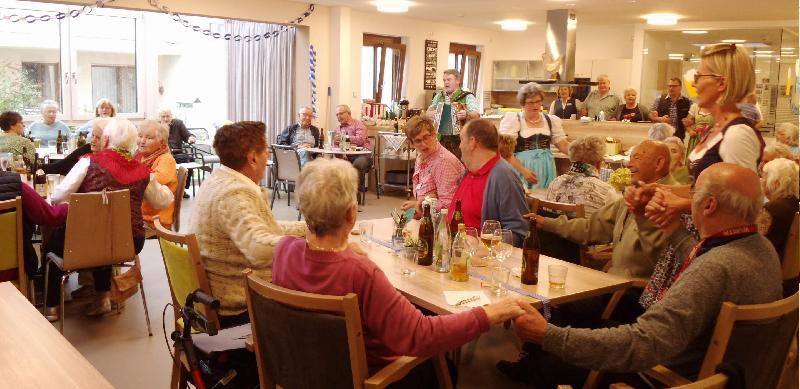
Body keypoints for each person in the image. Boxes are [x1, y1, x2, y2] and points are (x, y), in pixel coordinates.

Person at [511, 163, 782, 388]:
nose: (687, 199)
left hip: (664, 375)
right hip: (720, 370)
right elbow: (702, 258)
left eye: (693, 192)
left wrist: (549, 335)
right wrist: (673, 227)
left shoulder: (716, 269)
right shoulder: (759, 248)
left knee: (548, 364)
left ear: (709, 205)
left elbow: (643, 343)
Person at [272, 157, 525, 385]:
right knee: (445, 368)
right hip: (372, 377)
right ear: (351, 215)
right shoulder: (360, 273)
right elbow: (420, 336)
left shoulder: (283, 251)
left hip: (305, 370)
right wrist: (489, 313)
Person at [44, 118, 174, 321]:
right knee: (106, 239)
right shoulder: (142, 170)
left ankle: (51, 307)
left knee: (53, 245)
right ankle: (102, 299)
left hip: (84, 245)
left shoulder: (88, 161)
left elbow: (57, 197)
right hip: (129, 242)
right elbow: (163, 201)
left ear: (106, 139)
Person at [188, 121, 306, 327]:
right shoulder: (235, 193)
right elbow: (259, 249)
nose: (268, 156)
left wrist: (312, 229)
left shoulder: (219, 180)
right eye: (266, 151)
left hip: (217, 292)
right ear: (252, 158)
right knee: (322, 290)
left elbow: (266, 230)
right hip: (238, 306)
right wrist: (313, 245)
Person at [634, 44, 766, 228]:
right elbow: (701, 191)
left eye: (698, 77)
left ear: (721, 83)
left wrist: (678, 205)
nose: (694, 84)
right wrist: (660, 189)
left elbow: (739, 205)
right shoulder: (717, 129)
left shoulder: (737, 134)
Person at [532, 140, 676, 278]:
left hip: (635, 292)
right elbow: (591, 228)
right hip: (612, 282)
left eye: (636, 158)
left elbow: (663, 260)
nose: (629, 164)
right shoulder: (632, 196)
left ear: (659, 163)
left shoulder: (671, 202)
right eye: (630, 158)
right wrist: (547, 223)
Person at [448, 119, 528, 245]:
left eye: (461, 140)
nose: (459, 146)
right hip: (456, 249)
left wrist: (481, 244)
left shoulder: (504, 177)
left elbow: (519, 233)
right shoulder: (471, 170)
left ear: (472, 142)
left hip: (481, 259)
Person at [498, 82, 570, 189]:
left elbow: (563, 145)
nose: (535, 105)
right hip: (521, 168)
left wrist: (583, 155)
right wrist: (524, 171)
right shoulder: (514, 120)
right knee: (524, 200)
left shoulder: (550, 120)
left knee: (544, 201)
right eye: (531, 102)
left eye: (538, 101)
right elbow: (504, 152)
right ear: (523, 103)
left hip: (546, 167)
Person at [400, 116, 464, 218]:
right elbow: (428, 195)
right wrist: (417, 204)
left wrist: (421, 204)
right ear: (411, 143)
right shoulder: (421, 157)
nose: (424, 144)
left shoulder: (443, 161)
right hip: (428, 217)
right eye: (418, 141)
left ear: (434, 134)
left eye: (426, 137)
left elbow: (448, 205)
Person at [545, 136, 620, 217]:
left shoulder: (554, 183)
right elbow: (615, 220)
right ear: (599, 163)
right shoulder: (606, 191)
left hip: (551, 228)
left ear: (572, 158)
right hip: (584, 229)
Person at [758, 158, 799, 292]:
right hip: (793, 279)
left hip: (767, 276)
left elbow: (752, 245)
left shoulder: (771, 210)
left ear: (775, 182)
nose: (760, 180)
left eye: (763, 176)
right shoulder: (795, 204)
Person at [134, 120, 178, 230]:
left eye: (149, 138)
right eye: (140, 136)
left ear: (161, 142)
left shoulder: (166, 159)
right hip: (141, 213)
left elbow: (153, 180)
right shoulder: (140, 157)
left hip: (155, 218)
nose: (142, 141)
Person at [427, 69, 480, 159]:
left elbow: (476, 115)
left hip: (460, 141)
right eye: (444, 80)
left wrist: (467, 114)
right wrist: (431, 114)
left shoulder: (467, 96)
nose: (446, 82)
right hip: (440, 140)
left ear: (457, 81)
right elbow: (427, 113)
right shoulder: (439, 96)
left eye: (449, 79)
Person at [333, 104, 373, 198]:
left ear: (349, 113)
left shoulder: (358, 124)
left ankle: (354, 194)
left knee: (357, 165)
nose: (339, 116)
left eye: (341, 113)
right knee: (334, 164)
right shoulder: (338, 128)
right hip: (346, 155)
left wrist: (345, 138)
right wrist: (341, 154)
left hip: (362, 155)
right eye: (337, 115)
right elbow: (335, 144)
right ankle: (340, 194)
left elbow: (361, 140)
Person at [160, 108, 196, 198]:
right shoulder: (157, 126)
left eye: (167, 116)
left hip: (178, 153)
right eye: (163, 117)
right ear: (159, 117)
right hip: (163, 154)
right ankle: (170, 189)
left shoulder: (178, 123)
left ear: (171, 116)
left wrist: (190, 138)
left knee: (190, 159)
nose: (165, 119)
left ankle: (182, 188)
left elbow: (187, 135)